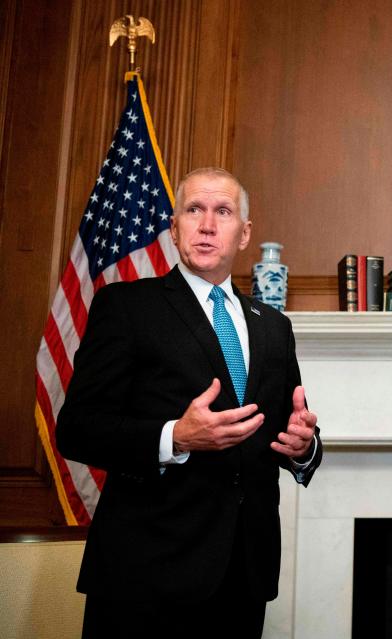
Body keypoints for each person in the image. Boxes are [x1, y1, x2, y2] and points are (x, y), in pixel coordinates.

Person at [56, 167, 322, 638]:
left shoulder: (272, 325)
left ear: (245, 234)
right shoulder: (126, 306)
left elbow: (289, 429)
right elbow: (77, 427)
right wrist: (174, 436)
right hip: (146, 574)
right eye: (193, 210)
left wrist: (304, 447)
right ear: (174, 228)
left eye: (223, 212)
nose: (206, 225)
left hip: (244, 574)